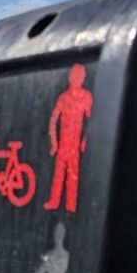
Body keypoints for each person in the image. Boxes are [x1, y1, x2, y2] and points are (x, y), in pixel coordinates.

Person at [44, 63, 93, 213]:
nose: (77, 79)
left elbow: (91, 121)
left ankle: (71, 206)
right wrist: (54, 142)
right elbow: (53, 119)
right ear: (70, 77)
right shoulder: (63, 97)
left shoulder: (86, 97)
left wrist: (85, 140)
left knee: (73, 175)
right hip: (63, 140)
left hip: (76, 142)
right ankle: (54, 201)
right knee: (59, 174)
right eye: (74, 75)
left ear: (83, 78)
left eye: (80, 76)